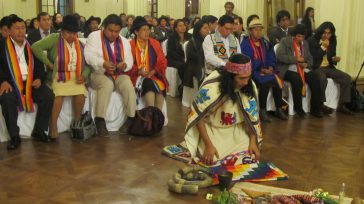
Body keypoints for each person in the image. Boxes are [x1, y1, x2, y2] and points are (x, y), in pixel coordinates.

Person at [182, 54, 261, 164]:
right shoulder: (213, 88)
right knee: (213, 159)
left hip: (235, 130)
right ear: (230, 77)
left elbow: (253, 116)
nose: (246, 82)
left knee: (250, 156)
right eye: (241, 78)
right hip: (213, 130)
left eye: (248, 77)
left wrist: (253, 141)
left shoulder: (248, 85)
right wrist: (209, 145)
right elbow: (198, 116)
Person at [31, 15, 90, 139]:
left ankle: (77, 122)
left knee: (81, 93)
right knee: (58, 95)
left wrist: (84, 76)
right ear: (62, 32)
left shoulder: (81, 43)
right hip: (59, 75)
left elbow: (88, 64)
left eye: (74, 33)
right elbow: (35, 47)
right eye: (68, 33)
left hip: (76, 76)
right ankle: (53, 126)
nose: (72, 36)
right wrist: (47, 62)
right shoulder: (54, 38)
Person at [0, 16, 54, 149]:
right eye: (17, 28)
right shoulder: (2, 45)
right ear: (10, 30)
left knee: (48, 95)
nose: (20, 31)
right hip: (11, 83)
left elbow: (40, 66)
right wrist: (2, 81)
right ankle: (14, 136)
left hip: (30, 82)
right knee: (7, 99)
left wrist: (39, 78)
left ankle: (39, 130)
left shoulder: (32, 45)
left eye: (23, 28)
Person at [84, 14, 136, 136]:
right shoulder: (94, 37)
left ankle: (131, 118)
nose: (113, 34)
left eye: (117, 31)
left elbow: (129, 60)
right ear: (103, 28)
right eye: (110, 30)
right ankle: (100, 120)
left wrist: (125, 65)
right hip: (99, 72)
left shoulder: (124, 41)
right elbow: (88, 56)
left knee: (127, 83)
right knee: (107, 84)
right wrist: (103, 63)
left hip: (118, 73)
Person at [241, 18, 287, 122]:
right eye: (255, 30)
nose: (258, 32)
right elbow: (247, 60)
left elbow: (271, 55)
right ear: (250, 31)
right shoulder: (245, 44)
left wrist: (271, 66)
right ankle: (262, 111)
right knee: (265, 83)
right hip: (253, 71)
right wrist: (261, 68)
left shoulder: (265, 42)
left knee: (278, 82)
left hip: (267, 70)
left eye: (260, 29)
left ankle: (279, 109)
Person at [276, 24, 324, 117]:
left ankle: (315, 109)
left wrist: (306, 64)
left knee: (315, 79)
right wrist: (296, 59)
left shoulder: (305, 43)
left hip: (302, 68)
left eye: (302, 36)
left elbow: (310, 58)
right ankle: (298, 109)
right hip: (287, 68)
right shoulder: (285, 41)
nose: (301, 38)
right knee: (297, 80)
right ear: (294, 35)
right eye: (298, 36)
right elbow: (280, 56)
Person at [308, 22, 353, 114]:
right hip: (316, 67)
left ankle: (342, 105)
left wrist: (334, 59)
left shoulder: (333, 40)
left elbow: (331, 56)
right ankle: (321, 104)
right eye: (324, 33)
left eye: (329, 33)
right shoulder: (312, 40)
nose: (326, 35)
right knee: (322, 78)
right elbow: (314, 57)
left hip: (328, 67)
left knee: (346, 78)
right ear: (320, 32)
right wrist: (323, 47)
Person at [129, 16, 168, 110]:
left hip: (153, 74)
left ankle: (157, 115)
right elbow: (128, 63)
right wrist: (138, 71)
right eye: (144, 30)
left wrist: (154, 71)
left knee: (161, 86)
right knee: (149, 83)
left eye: (148, 29)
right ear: (136, 32)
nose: (147, 32)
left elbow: (162, 60)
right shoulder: (130, 45)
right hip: (137, 75)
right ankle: (150, 113)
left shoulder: (154, 43)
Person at [183, 20, 210, 106]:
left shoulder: (207, 41)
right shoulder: (193, 42)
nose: (208, 30)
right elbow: (194, 59)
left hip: (203, 66)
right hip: (194, 68)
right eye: (205, 28)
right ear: (198, 30)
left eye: (208, 28)